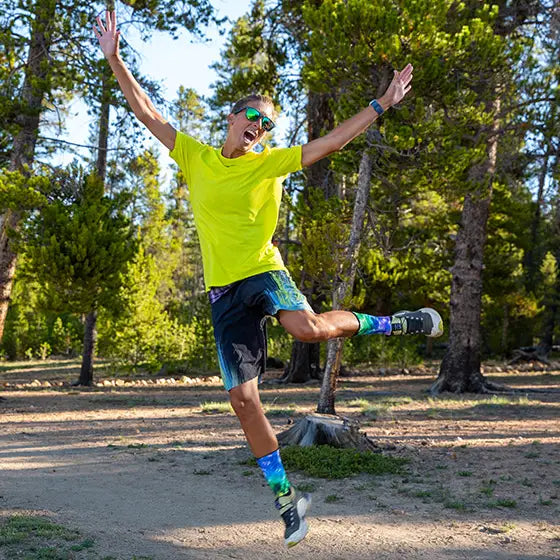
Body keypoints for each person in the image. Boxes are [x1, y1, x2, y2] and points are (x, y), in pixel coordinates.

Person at [94, 10, 443, 548]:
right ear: (232, 117)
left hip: (265, 272)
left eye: (267, 123)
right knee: (243, 400)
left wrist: (380, 104)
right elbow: (145, 110)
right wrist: (115, 59)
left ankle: (392, 324)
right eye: (253, 117)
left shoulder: (270, 162)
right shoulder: (196, 157)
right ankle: (287, 501)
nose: (259, 127)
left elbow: (329, 143)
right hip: (223, 292)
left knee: (308, 330)